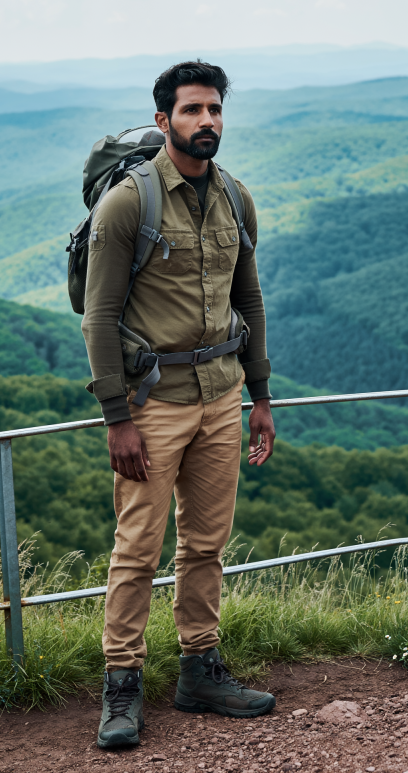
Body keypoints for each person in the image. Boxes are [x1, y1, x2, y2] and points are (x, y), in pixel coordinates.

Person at [81, 60, 276, 750]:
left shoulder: (235, 198)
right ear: (164, 119)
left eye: (215, 108)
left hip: (221, 397)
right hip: (152, 404)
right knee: (137, 548)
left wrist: (260, 396)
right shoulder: (128, 204)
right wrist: (117, 418)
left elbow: (249, 300)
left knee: (206, 545)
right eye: (193, 110)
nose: (207, 121)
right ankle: (122, 685)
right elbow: (99, 319)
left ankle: (201, 671)